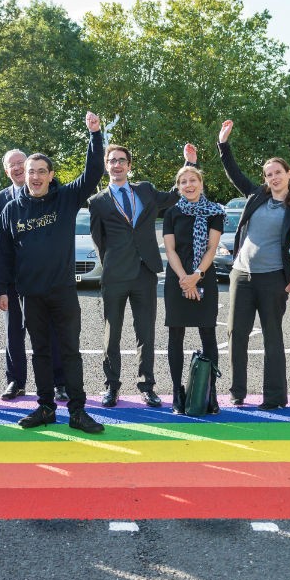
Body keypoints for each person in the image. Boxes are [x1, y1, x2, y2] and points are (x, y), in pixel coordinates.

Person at [0, 112, 106, 434]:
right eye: (31, 172)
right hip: (30, 293)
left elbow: (93, 171)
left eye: (42, 171)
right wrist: (3, 289)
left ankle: (77, 411)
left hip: (62, 292)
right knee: (40, 352)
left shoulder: (66, 198)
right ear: (24, 176)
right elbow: (2, 253)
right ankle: (45, 407)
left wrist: (95, 136)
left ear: (51, 174)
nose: (36, 177)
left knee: (70, 351)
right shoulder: (11, 210)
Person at [89, 142, 193, 408]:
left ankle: (146, 386)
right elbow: (98, 239)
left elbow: (173, 196)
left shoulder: (145, 190)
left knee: (145, 332)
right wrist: (112, 264)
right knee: (111, 334)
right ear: (106, 166)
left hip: (145, 273)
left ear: (129, 165)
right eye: (112, 161)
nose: (117, 165)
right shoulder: (98, 202)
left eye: (122, 160)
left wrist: (190, 164)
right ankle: (111, 387)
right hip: (115, 275)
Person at [216, 119, 290, 410]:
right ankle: (237, 391)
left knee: (272, 337)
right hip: (242, 274)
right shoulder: (256, 196)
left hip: (273, 279)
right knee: (235, 333)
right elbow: (234, 174)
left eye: (278, 172)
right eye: (268, 174)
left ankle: (275, 396)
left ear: (289, 174)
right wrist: (223, 144)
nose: (273, 178)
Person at [0, 149, 69, 402]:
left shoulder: (48, 196)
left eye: (20, 163)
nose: (16, 168)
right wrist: (1, 287)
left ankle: (59, 382)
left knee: (51, 332)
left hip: (41, 281)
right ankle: (15, 381)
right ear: (7, 171)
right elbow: (0, 248)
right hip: (14, 282)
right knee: (13, 333)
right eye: (11, 165)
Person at [161, 158, 225, 414]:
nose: (189, 185)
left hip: (204, 278)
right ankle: (177, 393)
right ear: (178, 187)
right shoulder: (171, 212)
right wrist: (184, 279)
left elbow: (212, 248)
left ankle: (211, 394)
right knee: (175, 335)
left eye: (193, 180)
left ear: (201, 183)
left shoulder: (215, 212)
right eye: (183, 181)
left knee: (208, 334)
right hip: (178, 279)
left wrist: (197, 275)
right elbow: (170, 249)